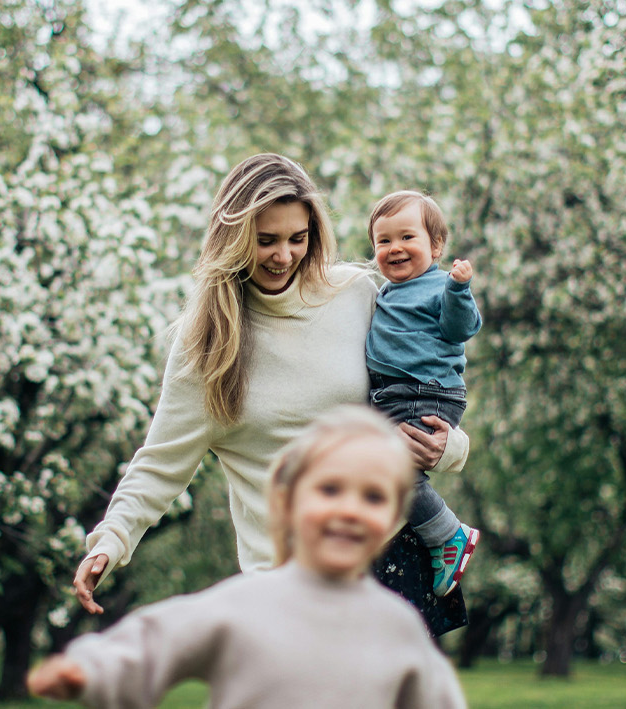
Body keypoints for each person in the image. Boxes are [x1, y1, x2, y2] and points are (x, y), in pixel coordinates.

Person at [71, 154, 470, 635]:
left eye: (297, 238)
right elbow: (160, 463)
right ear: (233, 239)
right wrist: (110, 540)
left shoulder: (357, 294)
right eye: (266, 241)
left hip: (390, 565)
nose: (284, 255)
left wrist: (450, 447)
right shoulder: (208, 346)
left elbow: (423, 381)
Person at [29, 407, 468, 709]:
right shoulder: (244, 605)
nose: (349, 510)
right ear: (288, 502)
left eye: (372, 497)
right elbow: (156, 642)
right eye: (330, 490)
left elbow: (437, 698)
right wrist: (89, 671)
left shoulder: (396, 624)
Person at [365, 191, 482, 597]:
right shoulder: (382, 291)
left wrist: (459, 289)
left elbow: (460, 328)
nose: (394, 248)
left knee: (392, 471)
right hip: (397, 394)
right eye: (383, 241)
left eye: (407, 237)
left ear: (435, 246)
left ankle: (447, 535)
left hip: (425, 393)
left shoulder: (438, 286)